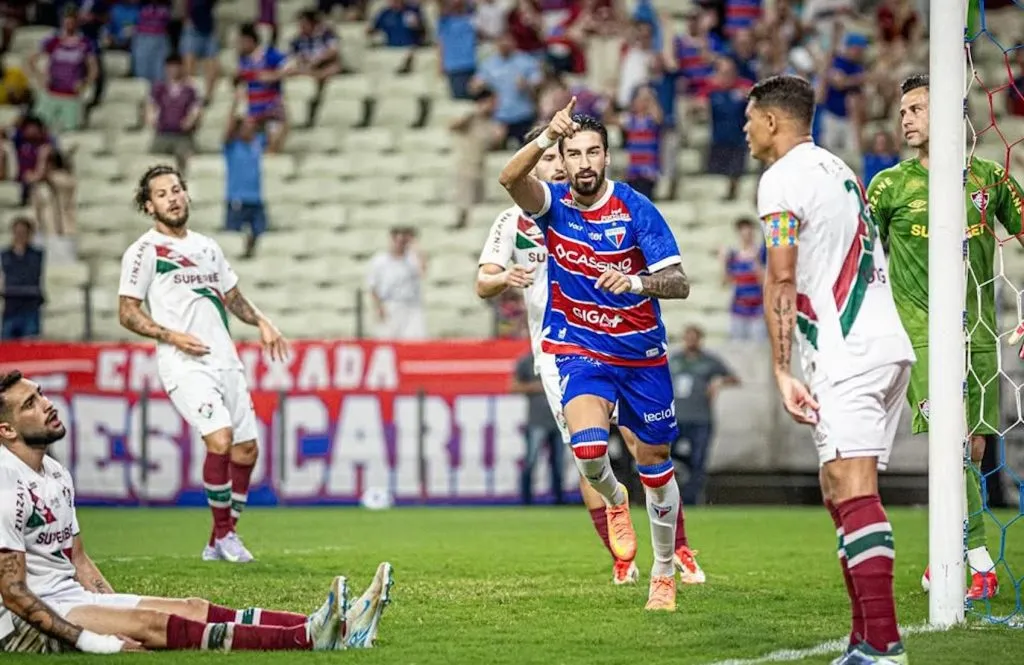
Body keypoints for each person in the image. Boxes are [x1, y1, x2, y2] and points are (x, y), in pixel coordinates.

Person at [0, 371, 394, 654]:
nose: (47, 404)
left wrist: (113, 606)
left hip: (67, 597)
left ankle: (337, 628)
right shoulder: (6, 478)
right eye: (30, 404)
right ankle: (308, 638)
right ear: (6, 430)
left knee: (189, 607)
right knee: (151, 625)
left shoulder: (55, 472)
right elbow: (13, 593)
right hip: (19, 624)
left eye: (41, 394)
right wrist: (96, 639)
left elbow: (79, 559)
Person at [477, 124, 704, 586]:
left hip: (629, 346)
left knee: (647, 450)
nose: (565, 167)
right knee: (588, 450)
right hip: (562, 347)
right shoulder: (518, 219)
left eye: (583, 155)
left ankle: (677, 548)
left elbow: (677, 280)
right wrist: (505, 280)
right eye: (558, 158)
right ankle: (622, 552)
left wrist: (635, 282)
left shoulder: (620, 206)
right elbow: (483, 280)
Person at [747, 74, 915, 665]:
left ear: (771, 122)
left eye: (750, 118)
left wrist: (780, 369)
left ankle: (885, 646)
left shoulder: (780, 181)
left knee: (854, 489)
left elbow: (782, 276)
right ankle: (863, 640)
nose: (744, 129)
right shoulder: (838, 169)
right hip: (879, 345)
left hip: (849, 353)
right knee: (835, 489)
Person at [867, 74, 1022, 601]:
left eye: (916, 108)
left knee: (973, 447)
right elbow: (858, 254)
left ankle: (955, 552)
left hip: (977, 331)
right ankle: (974, 561)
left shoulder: (987, 179)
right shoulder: (889, 185)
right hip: (921, 332)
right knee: (953, 442)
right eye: (903, 110)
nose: (905, 118)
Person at [117, 165, 287, 564]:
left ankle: (218, 541)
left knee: (247, 451)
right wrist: (170, 335)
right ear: (149, 205)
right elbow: (127, 312)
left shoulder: (208, 247)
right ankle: (227, 536)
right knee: (221, 439)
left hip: (224, 359)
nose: (173, 198)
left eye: (177, 190)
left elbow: (232, 296)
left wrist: (262, 321)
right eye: (162, 194)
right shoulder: (145, 251)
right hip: (184, 361)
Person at [668, 325, 739, 505]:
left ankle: (692, 498)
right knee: (668, 457)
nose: (691, 341)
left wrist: (719, 382)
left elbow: (733, 378)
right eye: (688, 337)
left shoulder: (709, 361)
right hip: (676, 418)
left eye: (694, 338)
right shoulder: (675, 360)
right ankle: (671, 496)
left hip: (701, 418)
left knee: (698, 459)